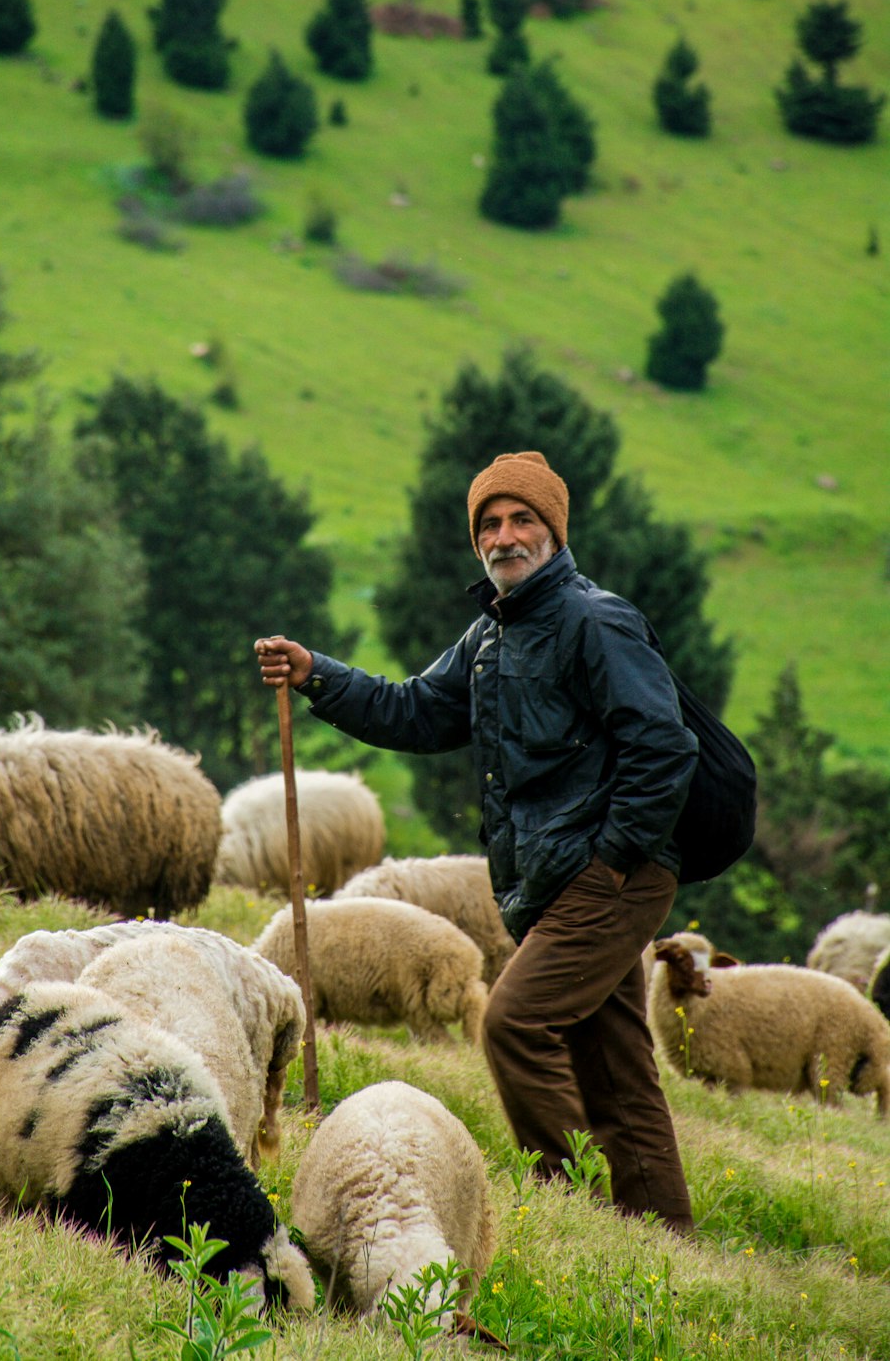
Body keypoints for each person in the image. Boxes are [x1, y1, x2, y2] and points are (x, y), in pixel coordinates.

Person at [255, 449, 698, 1235]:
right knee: (616, 1068)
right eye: (489, 524)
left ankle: (575, 1210)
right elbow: (415, 711)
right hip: (554, 880)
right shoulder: (492, 637)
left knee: (513, 1023)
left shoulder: (595, 621)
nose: (504, 536)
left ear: (555, 532)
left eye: (522, 518)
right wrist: (316, 673)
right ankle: (660, 1234)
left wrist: (613, 859)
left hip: (609, 876)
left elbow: (664, 748)